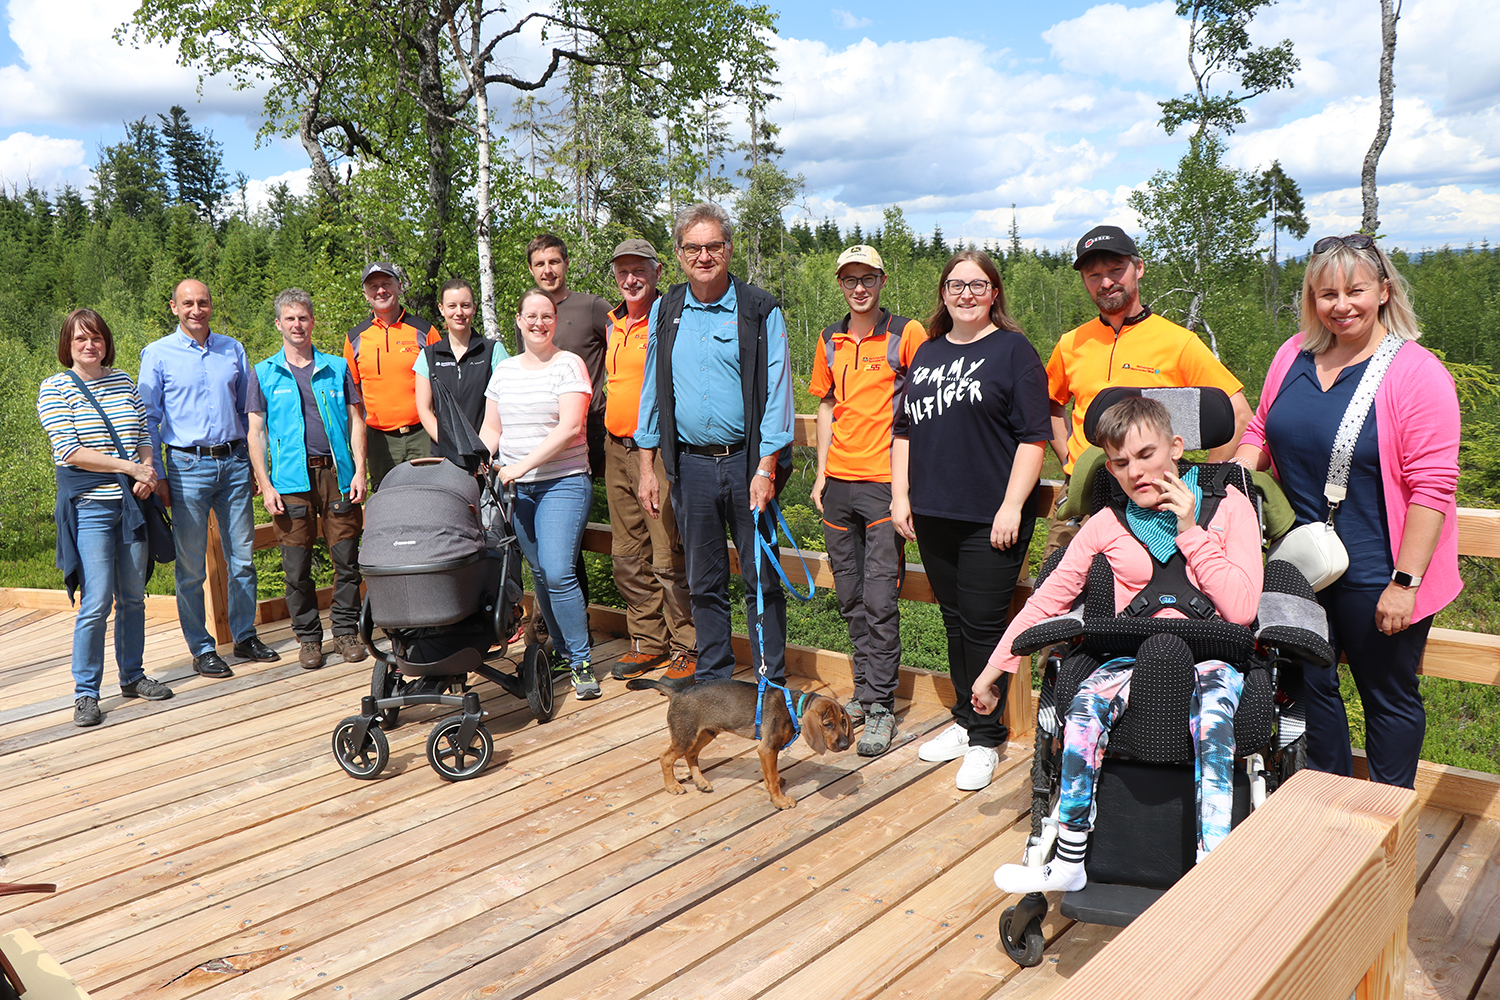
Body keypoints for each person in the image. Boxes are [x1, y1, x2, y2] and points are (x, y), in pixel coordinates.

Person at [979, 396, 1263, 892]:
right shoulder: (1105, 523)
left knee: (1216, 723)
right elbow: (1045, 603)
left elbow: (1240, 608)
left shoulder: (1230, 506)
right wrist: (994, 671)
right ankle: (1068, 860)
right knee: (1085, 706)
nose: (1135, 471)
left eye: (1147, 454)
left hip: (1214, 654)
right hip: (1130, 654)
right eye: (1120, 462)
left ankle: (1212, 868)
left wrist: (1191, 531)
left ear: (1176, 448)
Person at [1235, 234, 1461, 789]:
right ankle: (1325, 798)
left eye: (1355, 290)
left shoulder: (1417, 373)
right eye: (1325, 293)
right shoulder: (1293, 355)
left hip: (1377, 567)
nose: (1341, 306)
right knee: (1310, 685)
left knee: (1387, 696)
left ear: (1384, 290)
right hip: (1301, 562)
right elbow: (1261, 428)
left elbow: (1434, 488)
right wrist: (1233, 489)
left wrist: (1404, 584)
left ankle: (1385, 819)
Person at [890, 250, 1051, 791]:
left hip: (992, 518)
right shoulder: (929, 353)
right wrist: (901, 495)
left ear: (994, 293)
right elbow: (905, 432)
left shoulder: (1014, 352)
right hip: (933, 513)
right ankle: (966, 721)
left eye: (977, 285)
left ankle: (986, 738)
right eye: (956, 285)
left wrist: (1010, 505)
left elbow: (1034, 437)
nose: (966, 294)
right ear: (943, 293)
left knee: (986, 627)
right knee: (954, 621)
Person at [635, 202, 796, 688]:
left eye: (713, 246)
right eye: (693, 248)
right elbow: (651, 390)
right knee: (704, 581)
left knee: (761, 580)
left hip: (749, 466)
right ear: (680, 254)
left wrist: (766, 468)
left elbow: (778, 394)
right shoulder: (666, 309)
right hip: (690, 468)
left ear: (728, 249)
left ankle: (770, 683)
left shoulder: (759, 309)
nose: (703, 256)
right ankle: (715, 682)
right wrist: (647, 467)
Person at [1045, 225, 1252, 556]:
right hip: (1082, 496)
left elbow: (1238, 413)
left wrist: (1206, 482)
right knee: (1058, 594)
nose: (1106, 282)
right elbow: (1051, 405)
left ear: (1138, 269)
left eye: (1116, 270)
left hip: (1153, 496)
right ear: (1084, 281)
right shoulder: (1071, 343)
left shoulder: (1178, 342)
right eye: (1094, 274)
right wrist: (1071, 459)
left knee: (1145, 599)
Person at [808, 244, 924, 757]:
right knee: (850, 597)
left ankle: (879, 708)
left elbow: (924, 407)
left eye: (867, 278)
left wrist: (907, 489)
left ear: (881, 280)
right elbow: (828, 405)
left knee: (881, 600)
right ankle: (863, 692)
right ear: (840, 284)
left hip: (883, 487)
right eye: (850, 279)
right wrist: (819, 474)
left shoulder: (907, 334)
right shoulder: (830, 339)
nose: (859, 287)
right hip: (838, 486)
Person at [39, 309, 175, 726]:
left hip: (131, 504)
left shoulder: (122, 381)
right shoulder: (54, 388)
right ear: (68, 344)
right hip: (92, 509)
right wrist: (130, 468)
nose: (89, 345)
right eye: (80, 339)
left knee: (133, 596)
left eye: (96, 338)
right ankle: (86, 693)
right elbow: (70, 451)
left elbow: (143, 436)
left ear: (105, 342)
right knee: (96, 601)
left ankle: (132, 676)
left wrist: (148, 472)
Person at [139, 278, 279, 678]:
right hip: (185, 467)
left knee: (242, 559)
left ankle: (245, 636)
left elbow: (248, 416)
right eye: (188, 303)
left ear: (211, 306)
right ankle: (201, 648)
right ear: (174, 307)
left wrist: (256, 466)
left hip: (234, 463)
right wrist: (159, 476)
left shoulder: (232, 349)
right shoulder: (158, 354)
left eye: (202, 303)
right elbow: (148, 419)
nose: (196, 310)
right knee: (191, 567)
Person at [480, 289, 599, 700]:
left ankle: (582, 662)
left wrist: (521, 465)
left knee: (558, 569)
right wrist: (480, 459)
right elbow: (492, 429)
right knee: (541, 574)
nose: (538, 323)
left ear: (555, 320)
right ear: (518, 320)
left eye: (546, 316)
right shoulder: (506, 370)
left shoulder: (570, 365)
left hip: (563, 481)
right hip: (517, 489)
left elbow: (569, 429)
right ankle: (564, 652)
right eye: (531, 316)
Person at [247, 289, 370, 671]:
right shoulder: (264, 373)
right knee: (296, 566)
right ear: (279, 324)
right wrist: (265, 484)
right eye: (290, 319)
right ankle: (309, 639)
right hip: (289, 479)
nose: (297, 325)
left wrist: (361, 469)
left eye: (303, 318)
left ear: (312, 321)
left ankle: (347, 631)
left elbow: (356, 421)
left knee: (347, 560)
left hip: (337, 475)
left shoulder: (336, 367)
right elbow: (255, 433)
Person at [602, 238, 698, 683]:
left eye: (639, 269)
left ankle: (688, 645)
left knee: (667, 552)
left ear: (658, 271)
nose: (631, 279)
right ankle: (648, 641)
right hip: (615, 446)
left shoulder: (671, 318)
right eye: (623, 271)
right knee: (627, 553)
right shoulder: (613, 323)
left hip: (657, 450)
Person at [344, 261, 440, 490]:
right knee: (387, 501)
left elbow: (442, 387)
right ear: (366, 294)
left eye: (386, 283)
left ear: (398, 286)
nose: (381, 290)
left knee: (429, 497)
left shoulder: (425, 331)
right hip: (380, 440)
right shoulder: (355, 338)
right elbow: (354, 394)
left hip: (422, 434)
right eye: (373, 286)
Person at [525, 234, 611, 477]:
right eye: (540, 264)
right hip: (543, 424)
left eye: (554, 262)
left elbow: (623, 352)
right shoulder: (529, 315)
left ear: (566, 263)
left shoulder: (592, 307)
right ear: (531, 269)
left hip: (590, 423)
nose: (548, 270)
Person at [414, 277, 509, 472]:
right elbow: (424, 410)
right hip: (444, 458)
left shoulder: (493, 351)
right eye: (452, 306)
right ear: (441, 309)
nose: (459, 312)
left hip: (487, 456)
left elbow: (505, 405)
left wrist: (481, 450)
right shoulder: (428, 356)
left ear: (474, 308)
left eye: (465, 305)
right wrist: (452, 446)